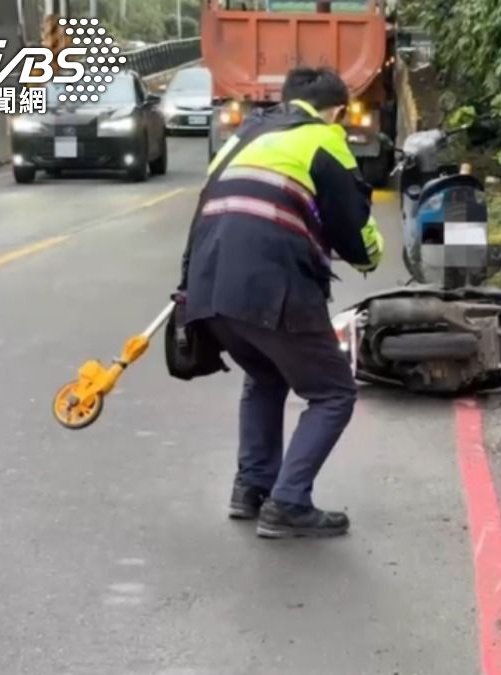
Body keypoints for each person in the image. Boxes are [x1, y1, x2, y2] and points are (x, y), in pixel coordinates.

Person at [178, 66, 385, 539]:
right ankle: (289, 502)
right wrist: (372, 254)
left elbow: (204, 208)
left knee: (265, 373)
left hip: (208, 286)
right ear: (335, 111)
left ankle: (250, 488)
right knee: (333, 393)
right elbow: (352, 228)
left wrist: (187, 291)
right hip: (271, 284)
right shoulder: (323, 137)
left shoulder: (242, 136)